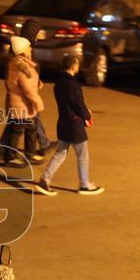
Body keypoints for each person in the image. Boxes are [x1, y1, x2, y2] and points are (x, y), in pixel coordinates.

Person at [33, 55, 104, 196]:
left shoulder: (58, 83)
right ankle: (84, 185)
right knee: (82, 155)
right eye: (77, 64)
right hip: (74, 125)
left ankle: (45, 180)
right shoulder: (73, 84)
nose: (78, 67)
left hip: (63, 122)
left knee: (60, 153)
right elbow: (78, 104)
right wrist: (87, 116)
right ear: (73, 66)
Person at [0, 36, 44, 166]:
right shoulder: (21, 68)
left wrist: (37, 83)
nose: (31, 49)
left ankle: (29, 153)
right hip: (22, 106)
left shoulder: (19, 63)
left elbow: (28, 83)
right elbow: (27, 89)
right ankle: (10, 157)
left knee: (31, 128)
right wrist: (38, 102)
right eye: (29, 47)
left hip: (22, 106)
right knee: (17, 130)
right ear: (23, 51)